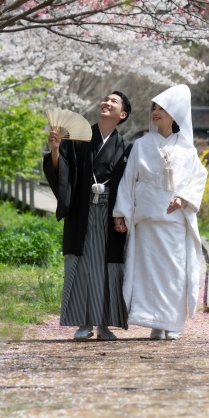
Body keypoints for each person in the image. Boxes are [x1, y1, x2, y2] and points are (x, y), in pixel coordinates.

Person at [112, 84, 207, 341]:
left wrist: (183, 198)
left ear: (175, 114)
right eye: (153, 108)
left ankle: (172, 322)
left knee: (174, 271)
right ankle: (154, 321)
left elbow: (199, 178)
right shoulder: (141, 145)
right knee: (148, 273)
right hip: (146, 220)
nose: (155, 112)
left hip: (173, 220)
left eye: (162, 108)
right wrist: (120, 212)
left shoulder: (188, 150)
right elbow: (128, 180)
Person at [43, 91, 133, 341]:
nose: (107, 102)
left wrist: (123, 213)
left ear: (123, 114)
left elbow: (130, 185)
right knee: (83, 265)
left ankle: (105, 324)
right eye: (105, 99)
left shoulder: (126, 147)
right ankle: (84, 322)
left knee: (108, 266)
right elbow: (62, 171)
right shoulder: (78, 140)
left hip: (111, 213)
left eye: (114, 101)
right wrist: (55, 150)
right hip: (83, 211)